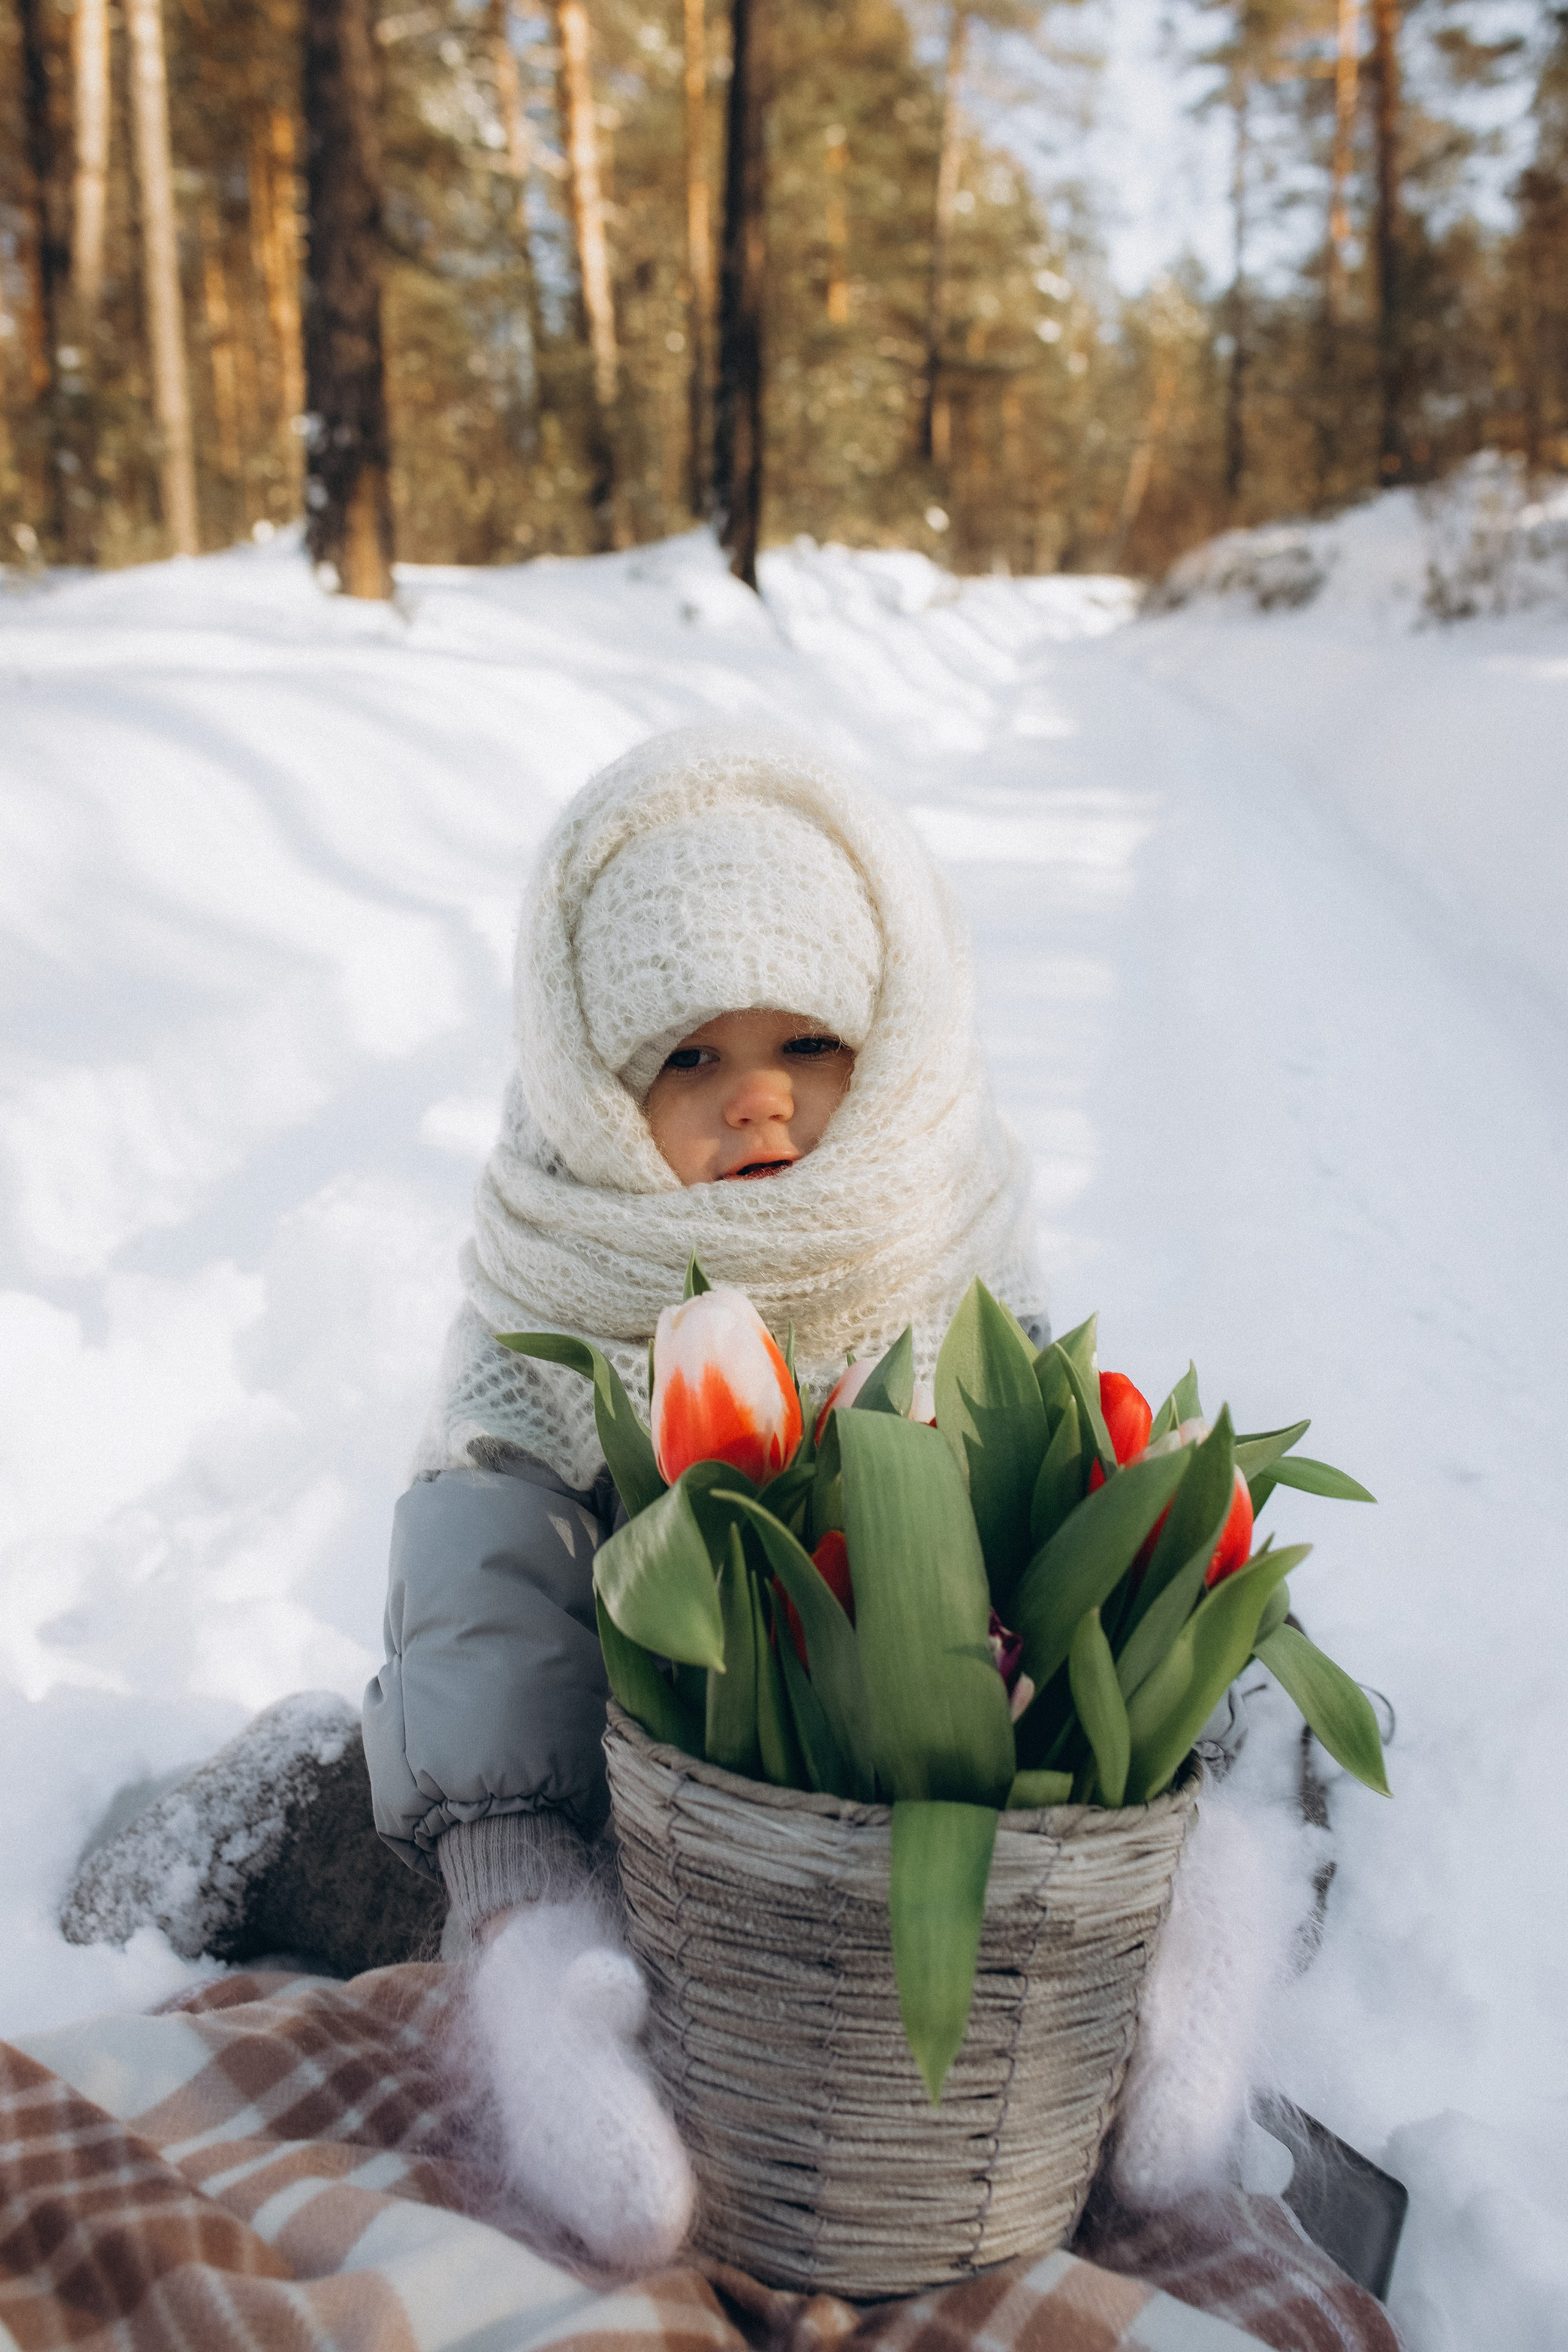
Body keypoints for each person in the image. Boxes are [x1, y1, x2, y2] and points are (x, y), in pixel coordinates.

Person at [358, 723, 1048, 2261]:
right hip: (655, 1799)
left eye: (806, 1043)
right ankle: (536, 1961)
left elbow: (1063, 1493)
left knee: (1140, 1605)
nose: (759, 1104)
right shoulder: (567, 1248)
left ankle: (1156, 1953)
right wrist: (516, 1849)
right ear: (597, 1085)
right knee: (486, 1538)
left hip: (946, 1780)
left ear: (887, 1039)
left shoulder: (938, 1215)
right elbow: (485, 1581)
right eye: (690, 1057)